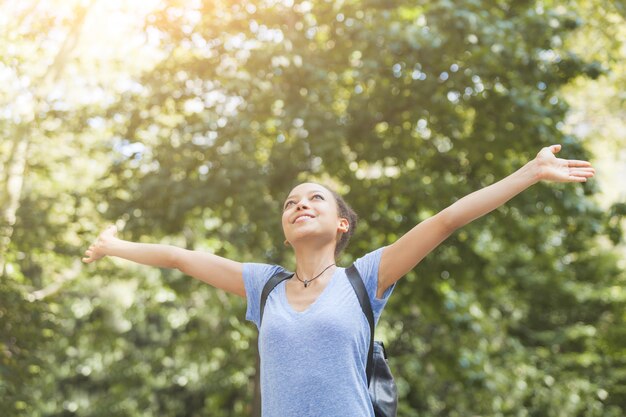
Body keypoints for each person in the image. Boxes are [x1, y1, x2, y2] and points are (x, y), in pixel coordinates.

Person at [83, 144, 595, 417]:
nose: (299, 204)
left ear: (341, 224)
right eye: (290, 203)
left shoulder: (365, 278)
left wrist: (529, 172)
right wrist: (113, 247)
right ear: (286, 231)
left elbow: (446, 220)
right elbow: (179, 258)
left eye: (314, 199)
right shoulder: (263, 287)